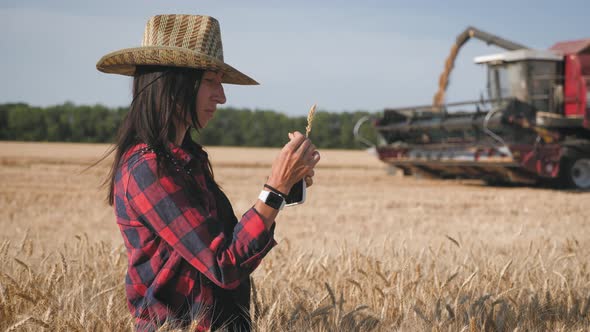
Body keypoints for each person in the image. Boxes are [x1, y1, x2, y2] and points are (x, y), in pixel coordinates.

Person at [96, 14, 320, 331]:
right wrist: (274, 188)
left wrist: (285, 188)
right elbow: (224, 265)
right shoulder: (148, 168)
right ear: (174, 83)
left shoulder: (186, 160)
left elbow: (232, 247)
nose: (222, 96)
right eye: (211, 82)